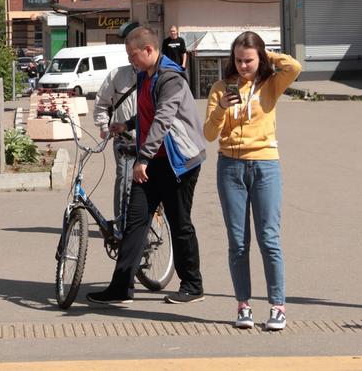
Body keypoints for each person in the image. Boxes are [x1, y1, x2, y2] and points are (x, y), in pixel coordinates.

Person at [88, 26, 207, 306]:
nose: (131, 60)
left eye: (133, 55)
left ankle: (192, 285)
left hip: (179, 163)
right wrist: (126, 125)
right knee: (135, 222)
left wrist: (142, 159)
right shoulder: (145, 76)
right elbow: (145, 113)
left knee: (180, 224)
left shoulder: (171, 79)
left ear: (149, 50)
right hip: (153, 162)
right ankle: (120, 288)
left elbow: (163, 119)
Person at [203, 31, 302, 332]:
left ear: (258, 59)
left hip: (265, 165)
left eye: (249, 60)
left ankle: (278, 306)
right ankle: (243, 305)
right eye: (238, 60)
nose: (243, 66)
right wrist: (221, 109)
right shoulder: (221, 88)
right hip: (230, 167)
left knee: (269, 239)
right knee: (238, 242)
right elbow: (208, 134)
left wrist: (267, 55)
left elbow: (295, 67)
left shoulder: (271, 84)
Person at [92, 20, 141, 228]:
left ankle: (148, 223)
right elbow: (101, 104)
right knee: (124, 180)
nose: (133, 59)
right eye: (130, 55)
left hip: (152, 139)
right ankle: (121, 224)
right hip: (124, 139)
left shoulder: (157, 76)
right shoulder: (117, 75)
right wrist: (104, 127)